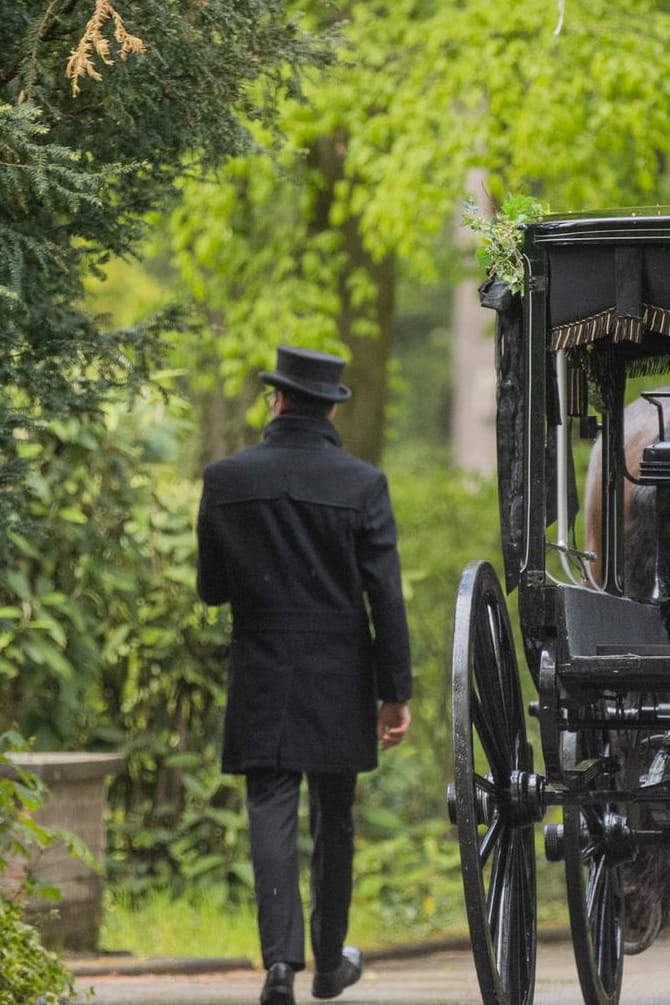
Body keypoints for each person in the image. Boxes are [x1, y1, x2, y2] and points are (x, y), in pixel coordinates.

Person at [196, 346, 413, 1005]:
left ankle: (279, 966)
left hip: (261, 662)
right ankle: (326, 965)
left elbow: (210, 590)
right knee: (334, 816)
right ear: (329, 407)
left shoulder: (225, 478)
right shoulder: (361, 484)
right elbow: (385, 596)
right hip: (339, 669)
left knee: (269, 806)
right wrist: (393, 690)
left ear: (279, 400)